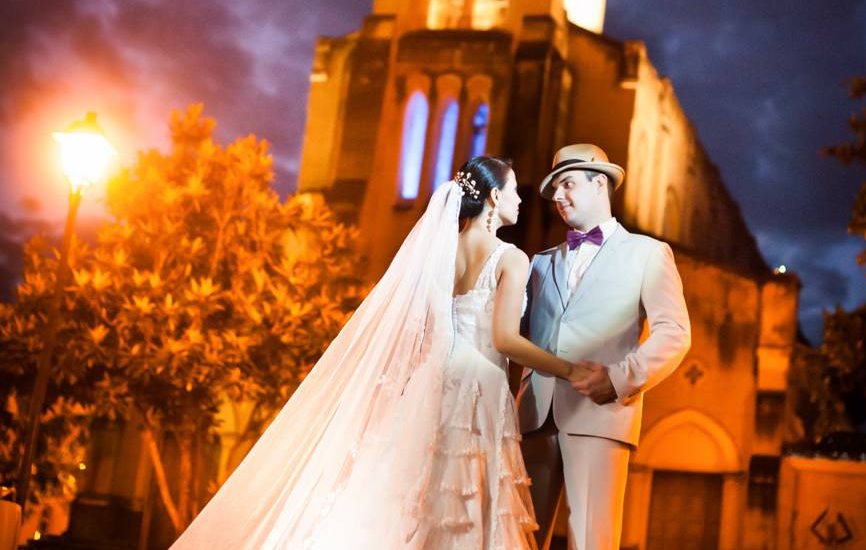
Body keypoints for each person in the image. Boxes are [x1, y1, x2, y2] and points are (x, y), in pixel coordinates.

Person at [169, 156, 591, 550]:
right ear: (495, 197)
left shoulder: (441, 252)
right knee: (464, 499)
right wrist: (568, 368)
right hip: (479, 380)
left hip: (433, 375)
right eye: (515, 191)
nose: (521, 199)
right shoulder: (510, 258)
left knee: (413, 492)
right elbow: (504, 340)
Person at [517, 143, 691, 550]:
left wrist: (617, 379)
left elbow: (674, 332)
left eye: (567, 184)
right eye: (555, 188)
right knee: (518, 538)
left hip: (601, 414)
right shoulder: (539, 261)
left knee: (592, 541)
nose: (557, 196)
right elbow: (515, 337)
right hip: (533, 418)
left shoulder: (649, 255)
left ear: (600, 184)